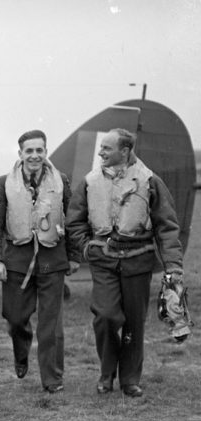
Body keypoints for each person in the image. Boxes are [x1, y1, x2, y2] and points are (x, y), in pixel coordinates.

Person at [67, 128, 184, 397]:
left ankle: (129, 379)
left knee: (134, 322)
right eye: (101, 148)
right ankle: (106, 373)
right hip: (103, 260)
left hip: (138, 261)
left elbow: (167, 227)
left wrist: (173, 267)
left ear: (125, 150)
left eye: (107, 148)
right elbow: (74, 221)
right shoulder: (90, 181)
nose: (101, 152)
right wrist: (87, 248)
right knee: (106, 317)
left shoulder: (149, 181)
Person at [0, 130, 80, 394]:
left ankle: (52, 379)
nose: (35, 155)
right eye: (29, 151)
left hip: (53, 261)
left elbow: (72, 221)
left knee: (51, 327)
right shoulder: (5, 182)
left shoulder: (61, 181)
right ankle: (21, 352)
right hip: (17, 261)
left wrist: (73, 256)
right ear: (20, 154)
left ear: (45, 152)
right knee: (15, 319)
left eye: (40, 150)